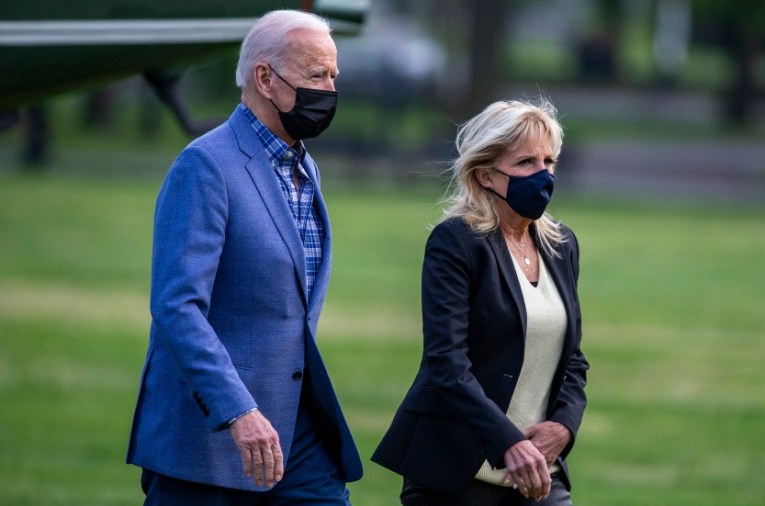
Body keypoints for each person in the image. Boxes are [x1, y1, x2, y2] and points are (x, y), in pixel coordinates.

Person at [126, 10, 362, 504]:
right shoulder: (205, 166)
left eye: (333, 74)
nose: (330, 89)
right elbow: (177, 307)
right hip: (212, 438)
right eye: (316, 75)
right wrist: (238, 411)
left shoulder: (304, 167)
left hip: (298, 434)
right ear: (265, 79)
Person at [372, 99, 590, 505]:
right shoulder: (456, 242)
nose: (542, 175)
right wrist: (508, 442)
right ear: (486, 175)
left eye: (549, 161)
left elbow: (573, 358)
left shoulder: (562, 245)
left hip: (540, 474)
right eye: (526, 163)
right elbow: (447, 363)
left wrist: (564, 427)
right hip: (457, 473)